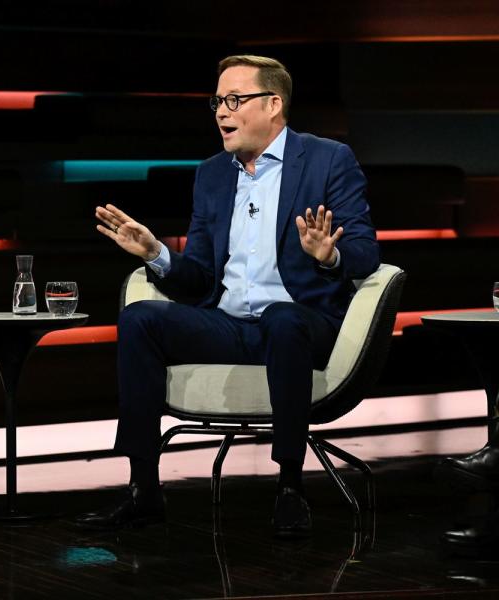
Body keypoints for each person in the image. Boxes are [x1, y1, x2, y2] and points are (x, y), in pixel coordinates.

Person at [77, 55, 380, 538]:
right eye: (217, 101)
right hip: (232, 326)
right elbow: (198, 278)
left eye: (235, 100)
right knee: (141, 319)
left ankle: (289, 486)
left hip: (301, 326)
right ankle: (144, 489)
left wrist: (329, 255)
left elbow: (366, 254)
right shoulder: (213, 174)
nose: (222, 111)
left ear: (274, 104)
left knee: (283, 319)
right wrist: (156, 254)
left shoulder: (327, 160)